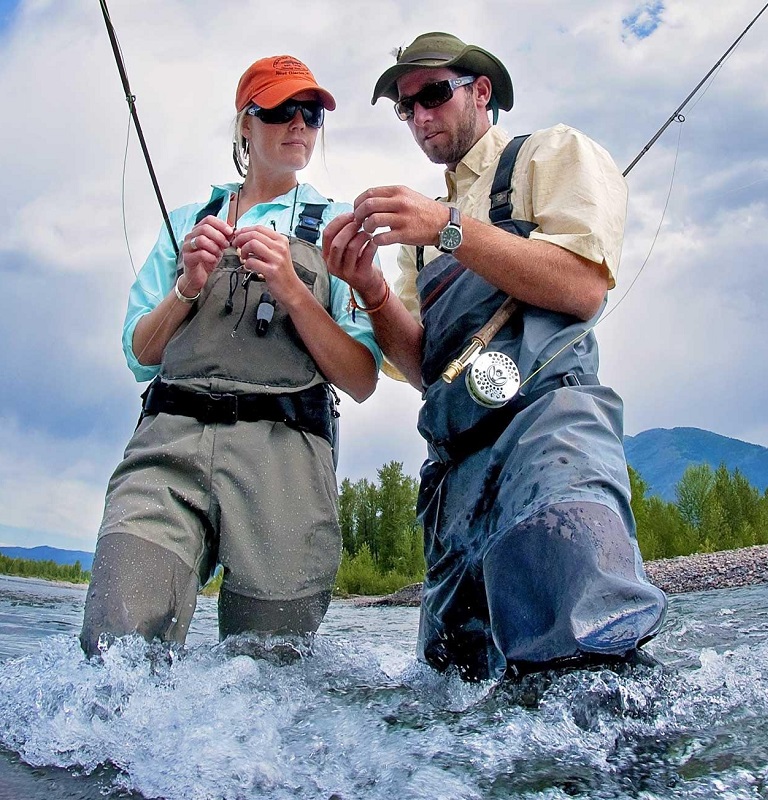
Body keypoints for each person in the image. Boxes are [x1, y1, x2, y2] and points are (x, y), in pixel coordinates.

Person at [322, 32, 667, 682]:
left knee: (582, 657)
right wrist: (368, 290)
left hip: (548, 434)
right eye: (406, 106)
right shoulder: (415, 244)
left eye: (432, 94)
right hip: (455, 478)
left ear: (481, 92)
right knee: (457, 691)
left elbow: (582, 285)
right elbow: (424, 367)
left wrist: (448, 227)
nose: (421, 117)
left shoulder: (549, 154)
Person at [80, 55, 381, 657]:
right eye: (280, 110)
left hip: (287, 463)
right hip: (170, 444)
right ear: (245, 124)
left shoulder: (340, 231)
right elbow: (140, 356)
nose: (300, 125)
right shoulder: (186, 224)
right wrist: (187, 287)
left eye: (312, 114)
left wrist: (295, 292)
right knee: (117, 638)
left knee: (267, 678)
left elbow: (362, 377)